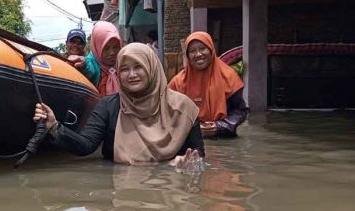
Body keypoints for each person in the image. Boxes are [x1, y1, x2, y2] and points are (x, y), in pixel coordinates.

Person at [34, 43, 204, 166]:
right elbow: (86, 145)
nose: (131, 75)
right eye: (124, 69)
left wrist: (190, 165)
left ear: (152, 68)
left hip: (169, 195)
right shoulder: (108, 106)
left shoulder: (183, 108)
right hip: (121, 191)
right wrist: (55, 127)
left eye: (138, 67)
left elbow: (198, 156)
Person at [168, 31, 247, 138]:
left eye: (202, 49)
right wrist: (193, 127)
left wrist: (219, 126)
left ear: (211, 50)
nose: (198, 54)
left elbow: (240, 111)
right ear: (187, 56)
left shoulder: (229, 77)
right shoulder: (177, 83)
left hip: (224, 138)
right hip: (190, 139)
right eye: (192, 51)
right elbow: (168, 114)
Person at [68, 21, 122, 96]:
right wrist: (84, 65)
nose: (112, 52)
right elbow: (89, 70)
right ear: (97, 47)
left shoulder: (123, 63)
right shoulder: (92, 63)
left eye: (116, 47)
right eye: (106, 48)